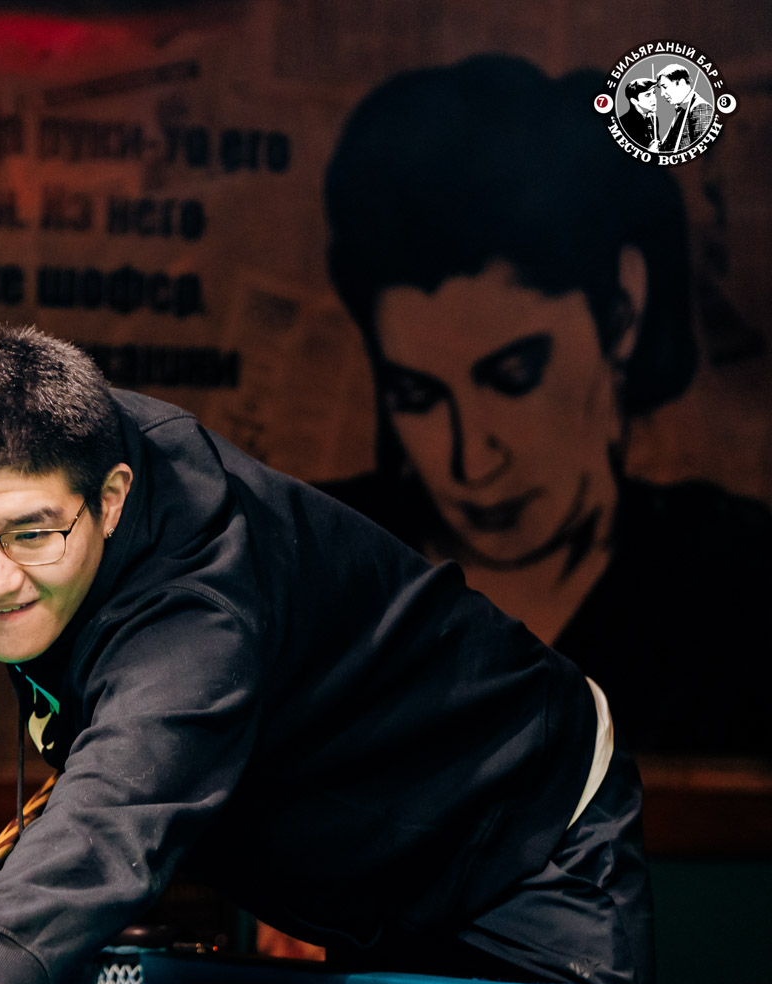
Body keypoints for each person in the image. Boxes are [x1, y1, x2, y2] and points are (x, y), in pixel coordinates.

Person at [0, 326, 649, 984]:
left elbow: (124, 790)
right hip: (371, 862)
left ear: (111, 499)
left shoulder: (201, 603)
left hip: (527, 836)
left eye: (32, 535)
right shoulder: (53, 457)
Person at [319, 56, 772, 756]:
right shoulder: (312, 569)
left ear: (621, 310)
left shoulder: (738, 583)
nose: (470, 462)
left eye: (513, 376)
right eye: (417, 396)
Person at [654, 64, 714, 153]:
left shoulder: (701, 108)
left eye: (665, 87)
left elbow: (703, 151)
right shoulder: (682, 108)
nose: (662, 94)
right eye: (661, 89)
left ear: (681, 83)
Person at [616, 76, 658, 151]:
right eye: (647, 95)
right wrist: (648, 152)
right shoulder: (623, 123)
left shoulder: (654, 119)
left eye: (654, 93)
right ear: (634, 101)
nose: (654, 99)